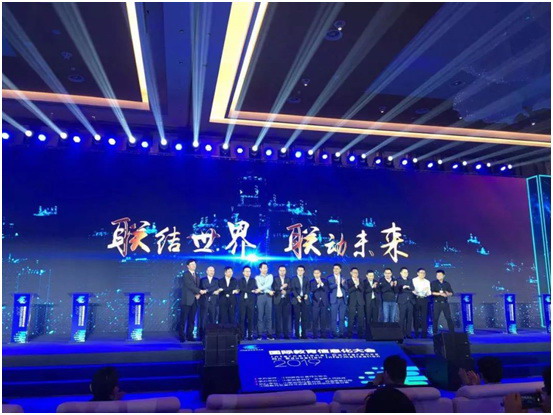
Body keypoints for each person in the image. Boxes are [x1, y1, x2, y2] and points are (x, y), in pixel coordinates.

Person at [179, 259, 207, 342]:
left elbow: (197, 286)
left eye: (195, 264)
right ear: (188, 266)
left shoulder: (197, 275)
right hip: (187, 300)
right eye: (192, 264)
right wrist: (199, 291)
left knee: (192, 319)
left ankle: (189, 335)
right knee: (183, 319)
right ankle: (182, 336)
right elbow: (190, 285)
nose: (194, 265)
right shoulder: (185, 274)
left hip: (195, 300)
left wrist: (198, 294)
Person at [199, 266, 221, 338]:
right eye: (210, 270)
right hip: (204, 301)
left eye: (213, 271)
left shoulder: (217, 280)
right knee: (203, 318)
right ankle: (202, 335)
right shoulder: (202, 280)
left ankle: (213, 334)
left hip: (213, 302)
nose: (212, 272)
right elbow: (203, 287)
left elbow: (216, 287)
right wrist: (212, 291)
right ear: (207, 271)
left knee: (213, 318)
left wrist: (207, 291)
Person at [255, 262, 275, 340]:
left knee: (269, 316)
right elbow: (259, 286)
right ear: (260, 269)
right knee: (260, 316)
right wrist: (268, 291)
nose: (265, 269)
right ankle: (259, 334)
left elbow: (268, 284)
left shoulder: (270, 276)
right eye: (264, 268)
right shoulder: (257, 277)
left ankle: (269, 334)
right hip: (260, 296)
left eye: (266, 268)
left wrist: (261, 289)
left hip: (268, 297)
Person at [431, 269, 455, 334]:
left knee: (448, 317)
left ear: (444, 275)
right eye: (437, 275)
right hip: (437, 303)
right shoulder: (433, 283)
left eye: (440, 275)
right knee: (435, 318)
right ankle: (435, 333)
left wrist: (448, 294)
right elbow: (431, 292)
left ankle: (452, 332)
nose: (438, 276)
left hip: (445, 303)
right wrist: (440, 294)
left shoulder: (446, 284)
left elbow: (452, 293)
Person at [328, 263, 348, 338]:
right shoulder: (330, 278)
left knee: (342, 318)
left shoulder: (343, 278)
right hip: (334, 300)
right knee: (333, 318)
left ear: (340, 270)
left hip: (342, 300)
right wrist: (336, 284)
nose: (335, 270)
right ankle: (334, 333)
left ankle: (341, 332)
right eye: (334, 268)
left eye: (337, 268)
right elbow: (329, 288)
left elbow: (346, 288)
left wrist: (342, 284)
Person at [291, 265, 310, 339]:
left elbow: (308, 288)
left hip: (304, 299)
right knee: (296, 318)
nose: (300, 271)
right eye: (299, 270)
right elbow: (293, 289)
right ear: (297, 271)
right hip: (296, 300)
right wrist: (297, 296)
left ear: (304, 271)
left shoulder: (306, 278)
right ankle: (296, 334)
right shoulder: (293, 279)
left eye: (301, 270)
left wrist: (307, 294)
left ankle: (304, 334)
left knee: (304, 318)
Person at [238, 265, 257, 340]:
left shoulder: (253, 280)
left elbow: (252, 288)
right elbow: (241, 288)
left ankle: (250, 335)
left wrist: (248, 290)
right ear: (243, 272)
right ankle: (242, 335)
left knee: (250, 319)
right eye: (246, 271)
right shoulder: (240, 280)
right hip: (242, 302)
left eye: (249, 271)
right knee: (242, 319)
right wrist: (250, 290)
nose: (248, 272)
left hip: (251, 302)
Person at [273, 265, 292, 339]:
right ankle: (278, 334)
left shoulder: (288, 279)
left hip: (286, 300)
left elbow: (291, 289)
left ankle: (286, 334)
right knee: (277, 318)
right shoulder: (275, 279)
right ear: (278, 271)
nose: (282, 272)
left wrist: (286, 292)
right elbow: (274, 288)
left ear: (285, 271)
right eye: (281, 270)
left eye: (283, 270)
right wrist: (281, 288)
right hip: (277, 300)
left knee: (286, 318)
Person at [310, 268, 329, 339]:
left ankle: (323, 334)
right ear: (313, 274)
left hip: (323, 302)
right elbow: (311, 290)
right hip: (315, 302)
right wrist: (318, 285)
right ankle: (315, 334)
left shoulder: (325, 281)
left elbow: (327, 290)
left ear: (320, 273)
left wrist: (322, 284)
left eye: (318, 273)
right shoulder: (311, 281)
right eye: (315, 273)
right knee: (315, 319)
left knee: (323, 319)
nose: (316, 274)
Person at [412, 268, 431, 338]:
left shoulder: (427, 281)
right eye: (421, 272)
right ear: (417, 273)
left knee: (424, 317)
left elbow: (429, 292)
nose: (422, 274)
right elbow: (412, 291)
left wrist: (427, 292)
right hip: (416, 299)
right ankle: (416, 332)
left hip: (424, 299)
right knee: (416, 316)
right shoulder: (414, 280)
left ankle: (424, 333)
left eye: (424, 273)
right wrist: (420, 291)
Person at [347, 267, 365, 338]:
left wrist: (358, 284)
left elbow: (362, 290)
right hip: (352, 301)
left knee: (361, 318)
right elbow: (348, 291)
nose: (355, 274)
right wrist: (355, 285)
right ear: (351, 273)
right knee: (351, 318)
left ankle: (360, 334)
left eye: (356, 273)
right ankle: (349, 334)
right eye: (354, 272)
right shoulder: (348, 281)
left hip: (360, 301)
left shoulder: (361, 280)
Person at [397, 267, 414, 338]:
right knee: (402, 318)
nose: (406, 273)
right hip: (402, 301)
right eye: (404, 272)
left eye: (407, 272)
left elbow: (412, 288)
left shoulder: (410, 280)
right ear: (401, 273)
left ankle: (408, 334)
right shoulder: (398, 280)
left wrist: (407, 288)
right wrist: (404, 287)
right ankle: (401, 334)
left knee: (409, 318)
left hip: (410, 301)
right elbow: (398, 289)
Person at [363, 270, 380, 338]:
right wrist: (372, 287)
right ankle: (367, 333)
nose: (371, 277)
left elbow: (378, 291)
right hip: (367, 302)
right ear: (367, 276)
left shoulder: (376, 282)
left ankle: (375, 333)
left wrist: (375, 288)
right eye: (370, 276)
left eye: (372, 276)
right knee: (368, 318)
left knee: (375, 318)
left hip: (375, 301)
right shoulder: (364, 282)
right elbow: (365, 291)